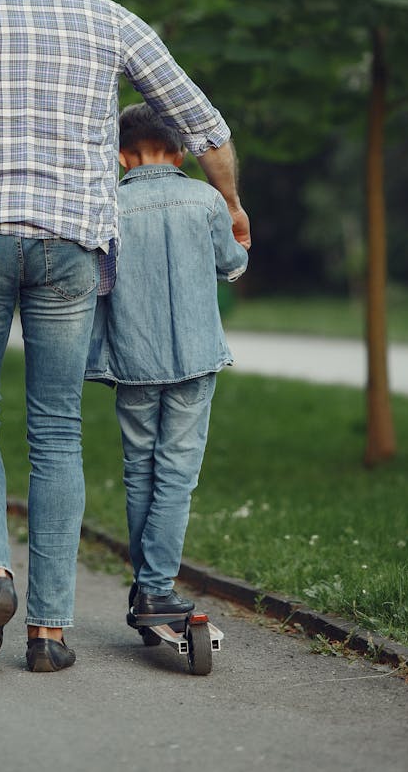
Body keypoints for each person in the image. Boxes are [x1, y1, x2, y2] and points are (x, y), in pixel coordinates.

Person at [0, 0, 250, 673]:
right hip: (71, 243)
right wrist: (232, 207)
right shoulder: (114, 22)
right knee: (56, 428)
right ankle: (47, 631)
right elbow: (204, 124)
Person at [86, 103, 248, 621]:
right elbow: (230, 262)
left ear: (119, 156)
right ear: (180, 153)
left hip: (131, 357)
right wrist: (240, 243)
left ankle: (146, 585)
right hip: (196, 357)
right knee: (176, 473)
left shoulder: (106, 205)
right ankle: (155, 586)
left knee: (140, 471)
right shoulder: (206, 200)